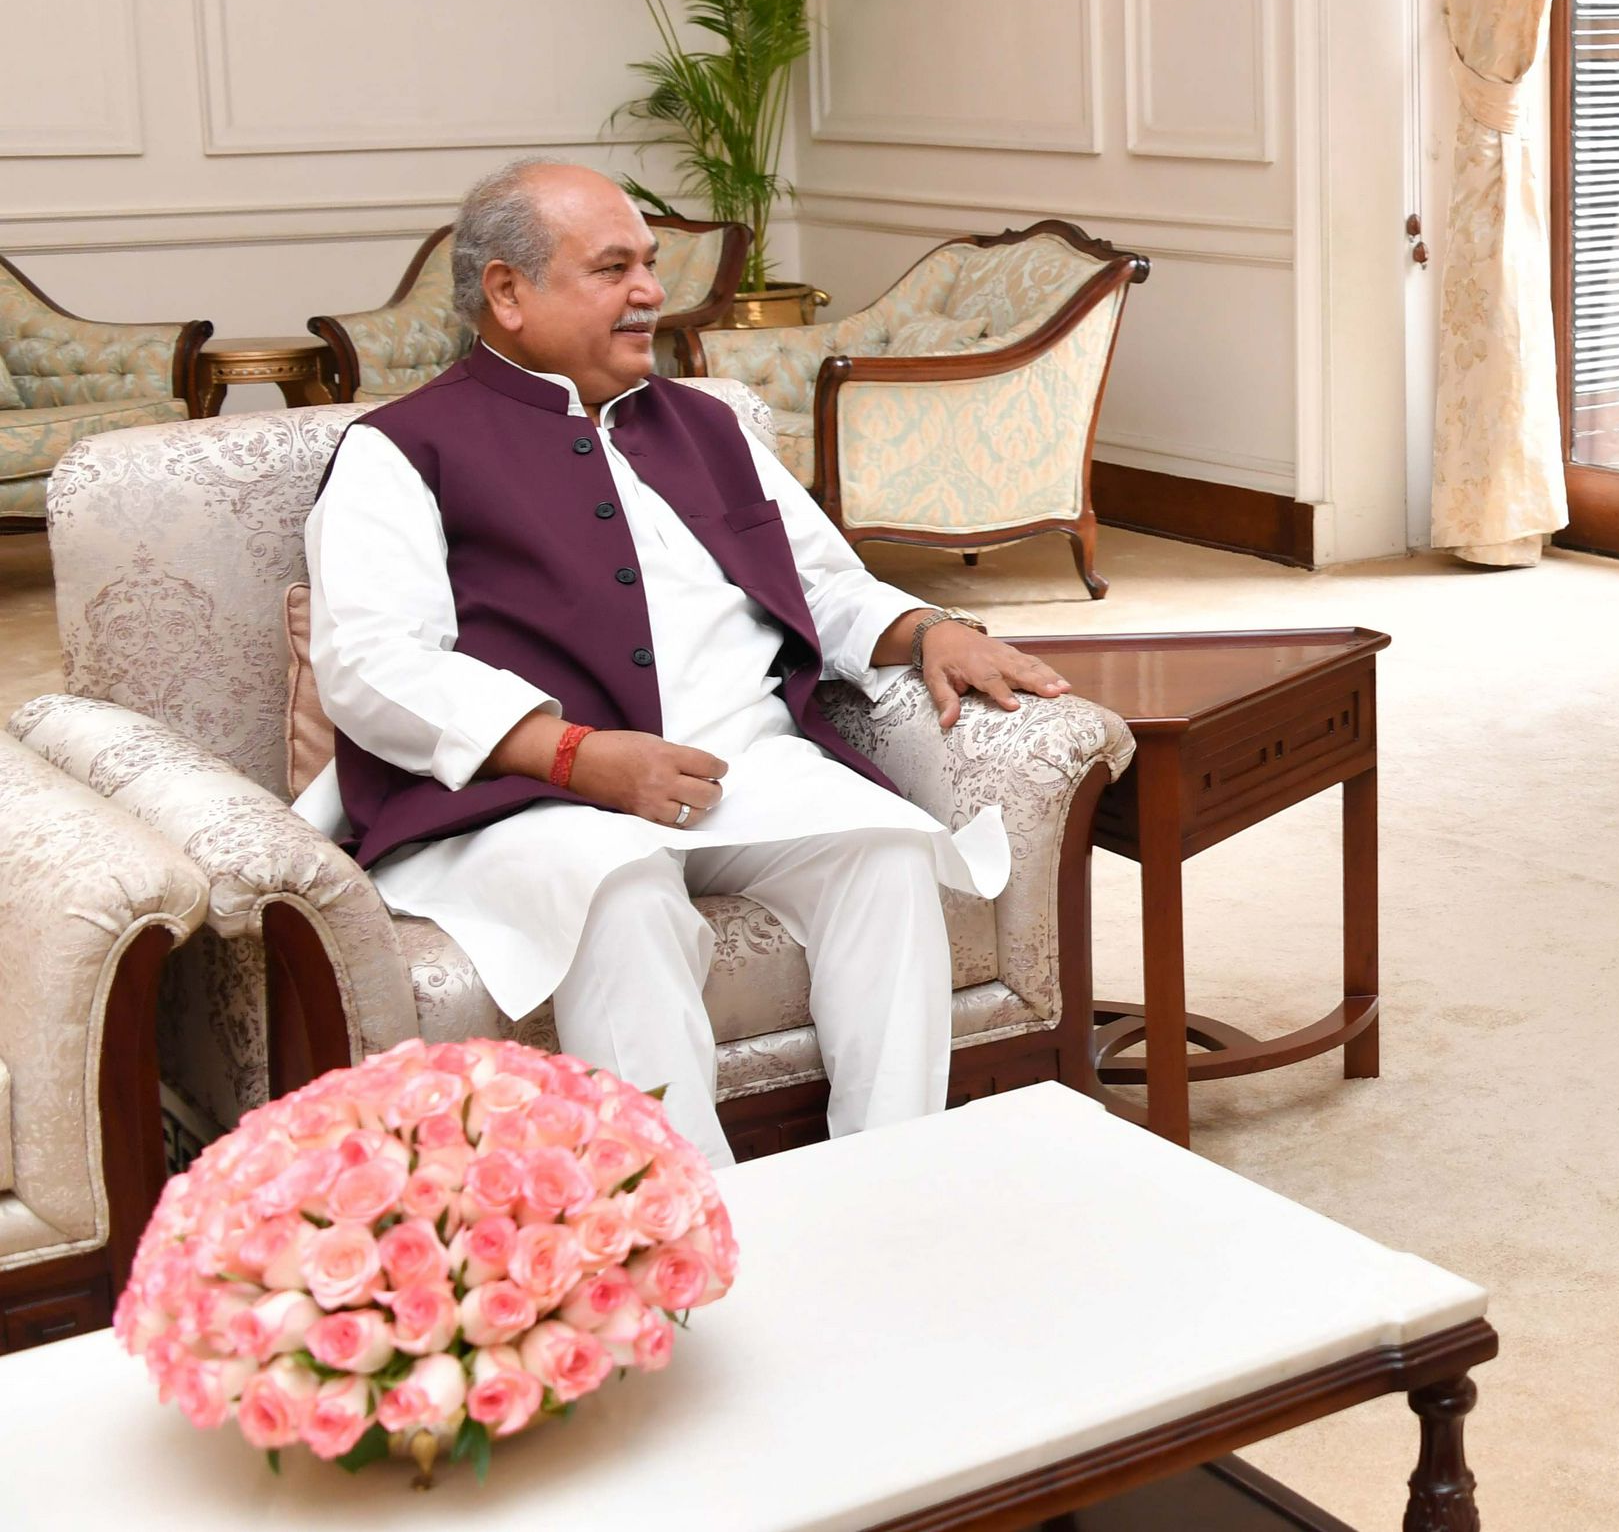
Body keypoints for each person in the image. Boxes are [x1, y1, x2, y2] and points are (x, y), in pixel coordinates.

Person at [295, 159, 1074, 1164]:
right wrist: (573, 753)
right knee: (620, 890)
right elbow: (370, 662)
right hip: (525, 802)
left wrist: (928, 630)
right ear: (507, 292)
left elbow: (816, 581)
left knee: (882, 853)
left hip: (742, 769)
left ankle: (891, 1182)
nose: (651, 292)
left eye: (650, 264)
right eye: (612, 268)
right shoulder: (400, 449)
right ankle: (693, 1224)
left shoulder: (705, 423)